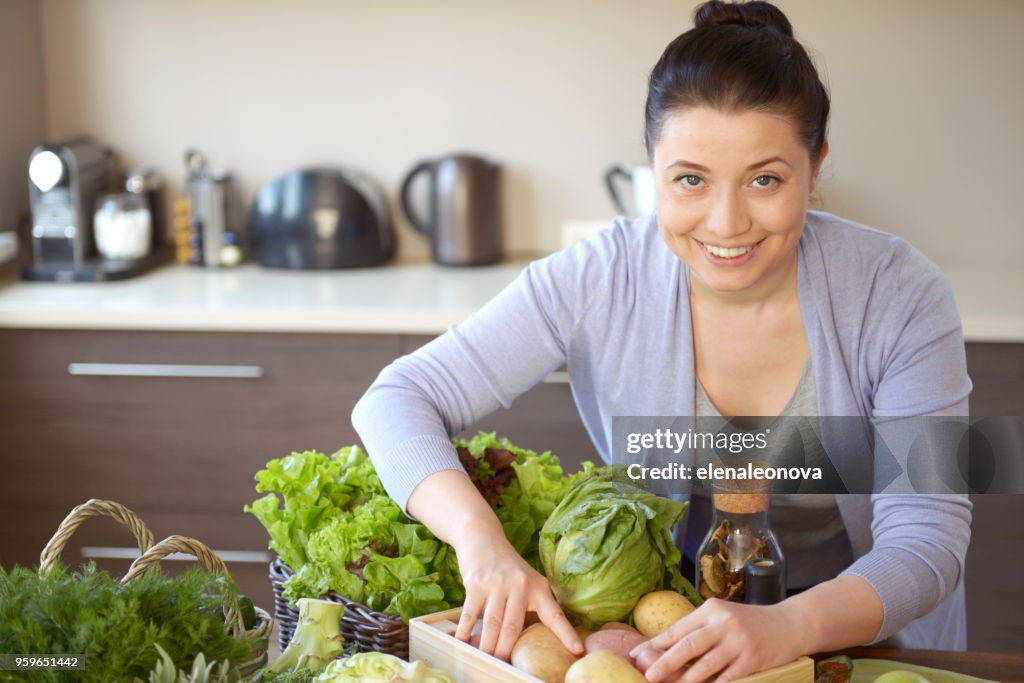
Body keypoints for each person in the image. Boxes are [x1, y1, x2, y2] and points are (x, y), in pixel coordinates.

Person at [352, 1, 972, 680]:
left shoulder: (899, 291)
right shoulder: (601, 276)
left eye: (765, 179)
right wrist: (481, 541)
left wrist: (787, 626)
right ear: (652, 164)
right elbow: (397, 397)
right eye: (690, 180)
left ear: (815, 164)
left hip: (860, 649)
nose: (727, 222)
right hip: (662, 652)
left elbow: (927, 539)